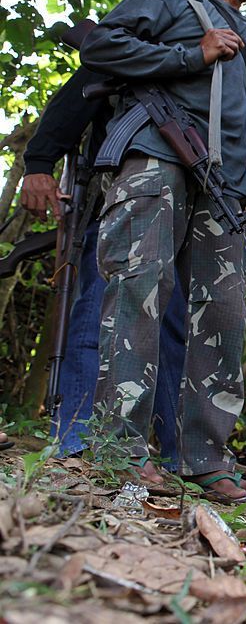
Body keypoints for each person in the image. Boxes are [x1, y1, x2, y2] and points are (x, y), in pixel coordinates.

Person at [79, 0, 246, 500]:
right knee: (139, 294)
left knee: (224, 314)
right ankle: (117, 451)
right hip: (155, 157)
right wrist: (189, 56)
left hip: (221, 187)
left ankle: (207, 457)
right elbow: (100, 46)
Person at [19, 68, 186, 462]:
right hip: (114, 198)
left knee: (174, 329)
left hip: (180, 212)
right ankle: (75, 438)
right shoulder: (135, 35)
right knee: (98, 313)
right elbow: (78, 95)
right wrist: (39, 162)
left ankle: (175, 454)